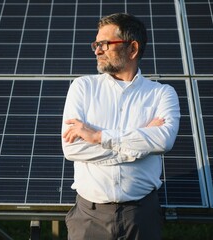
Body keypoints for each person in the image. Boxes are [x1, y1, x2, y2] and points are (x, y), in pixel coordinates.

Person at [61, 13, 180, 240]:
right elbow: (72, 149)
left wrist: (97, 136)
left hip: (141, 216)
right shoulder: (83, 88)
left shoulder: (162, 94)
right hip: (89, 217)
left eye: (105, 44)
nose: (97, 50)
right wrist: (139, 146)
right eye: (96, 44)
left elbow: (164, 140)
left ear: (132, 49)